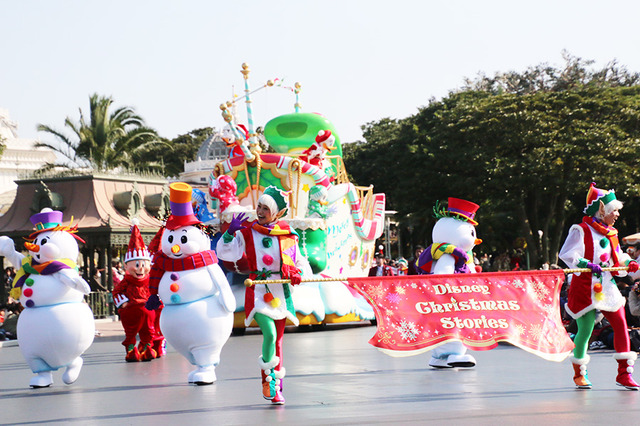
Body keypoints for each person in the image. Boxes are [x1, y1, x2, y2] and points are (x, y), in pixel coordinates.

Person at [216, 186, 307, 405]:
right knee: (270, 335)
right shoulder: (248, 232)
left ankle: (276, 387)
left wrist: (298, 272)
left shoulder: (287, 235)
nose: (260, 211)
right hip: (258, 290)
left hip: (281, 291)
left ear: (276, 213)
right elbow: (225, 252)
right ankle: (267, 381)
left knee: (279, 342)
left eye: (266, 208)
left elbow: (299, 260)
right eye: (259, 206)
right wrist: (229, 233)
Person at [559, 183, 640, 390]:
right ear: (602, 211)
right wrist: (586, 264)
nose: (617, 215)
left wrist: (626, 263)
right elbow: (567, 254)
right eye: (615, 211)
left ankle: (624, 374)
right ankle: (579, 373)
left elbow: (617, 258)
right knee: (585, 330)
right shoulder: (580, 230)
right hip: (585, 286)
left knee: (621, 324)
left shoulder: (612, 233)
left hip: (607, 286)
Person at [112, 222, 157, 362]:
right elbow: (117, 292)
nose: (140, 269)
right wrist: (123, 303)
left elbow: (156, 290)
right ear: (127, 265)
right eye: (137, 265)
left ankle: (146, 347)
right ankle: (131, 349)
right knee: (131, 332)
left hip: (148, 310)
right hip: (131, 310)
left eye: (144, 265)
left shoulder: (150, 280)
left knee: (148, 331)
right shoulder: (126, 281)